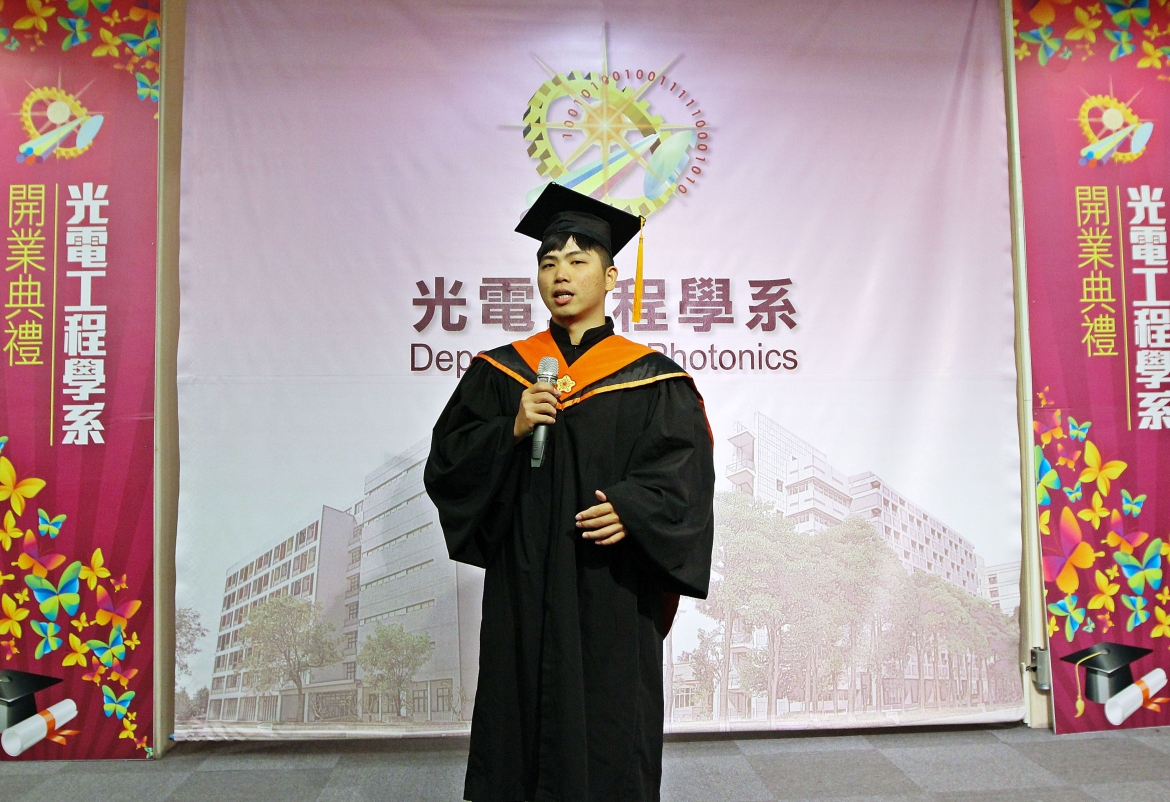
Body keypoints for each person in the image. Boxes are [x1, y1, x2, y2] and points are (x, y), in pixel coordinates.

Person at [424, 183, 715, 802]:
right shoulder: (501, 372)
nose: (560, 274)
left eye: (578, 260)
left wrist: (634, 509)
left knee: (610, 724)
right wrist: (511, 428)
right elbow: (448, 463)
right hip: (525, 580)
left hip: (611, 585)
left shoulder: (653, 378)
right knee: (519, 718)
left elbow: (685, 476)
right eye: (548, 261)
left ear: (610, 278)